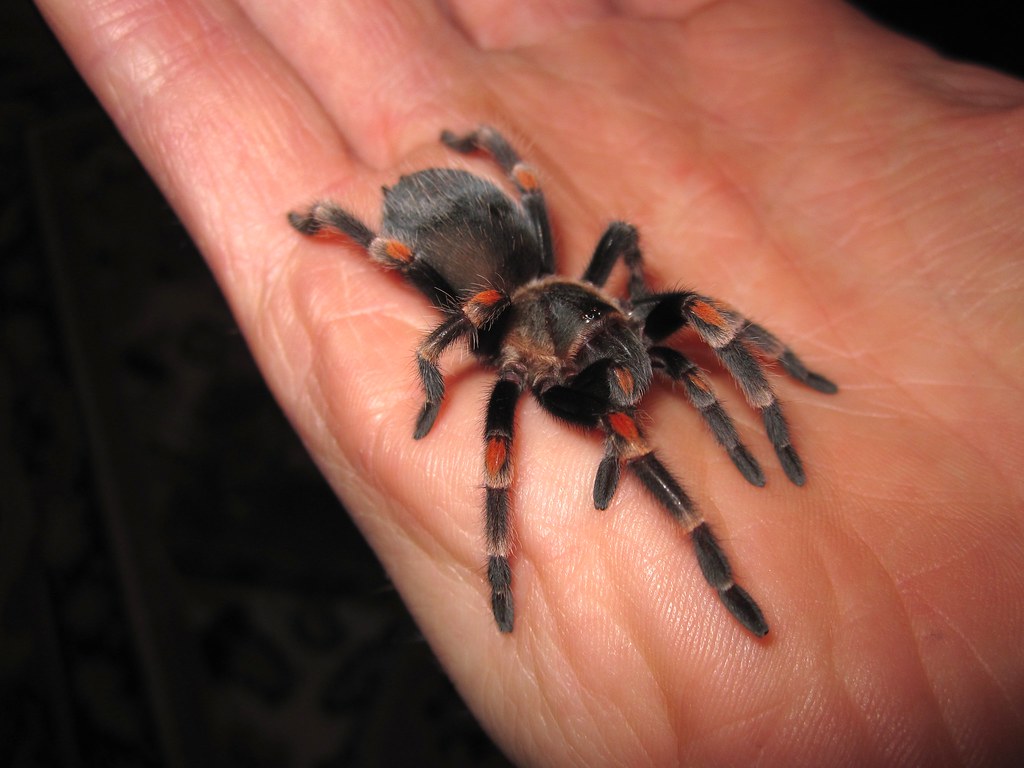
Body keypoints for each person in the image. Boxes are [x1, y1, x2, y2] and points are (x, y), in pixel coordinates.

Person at [38, 0, 1024, 764]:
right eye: (605, 348)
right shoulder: (505, 350)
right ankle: (343, 233)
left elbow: (639, 275)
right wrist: (432, 373)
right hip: (461, 254)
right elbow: (456, 338)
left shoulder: (611, 309)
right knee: (594, 421)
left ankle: (769, 396)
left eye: (615, 333)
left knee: (686, 329)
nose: (625, 359)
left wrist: (767, 383)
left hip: (528, 270)